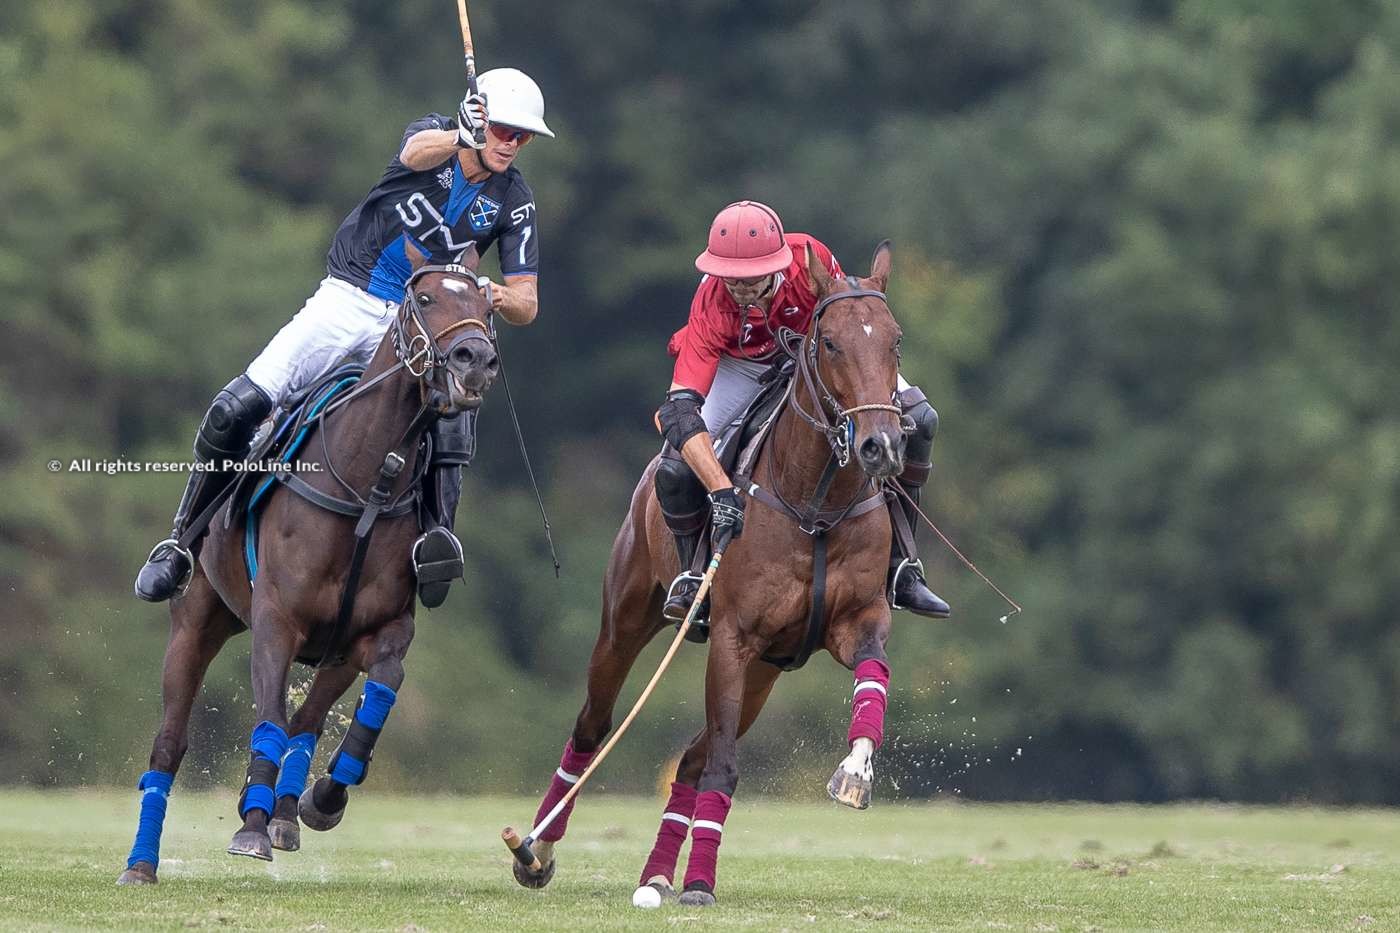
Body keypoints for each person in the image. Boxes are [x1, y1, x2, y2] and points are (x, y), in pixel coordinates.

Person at [134, 68, 554, 609]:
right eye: (503, 130)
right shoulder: (434, 134)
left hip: (418, 322)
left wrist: (488, 294)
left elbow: (528, 302)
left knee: (452, 423)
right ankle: (181, 541)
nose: (513, 145)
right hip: (347, 299)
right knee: (233, 409)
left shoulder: (514, 197)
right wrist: (462, 136)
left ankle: (436, 539)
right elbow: (413, 155)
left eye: (523, 137)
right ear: (478, 117)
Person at [653, 200, 950, 632]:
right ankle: (693, 578)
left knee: (921, 420)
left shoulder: (810, 258)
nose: (738, 286)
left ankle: (903, 566)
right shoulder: (711, 304)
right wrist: (720, 490)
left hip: (815, 355)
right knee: (676, 471)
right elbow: (680, 408)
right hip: (738, 366)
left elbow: (849, 319)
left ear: (777, 263)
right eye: (730, 277)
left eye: (750, 277)